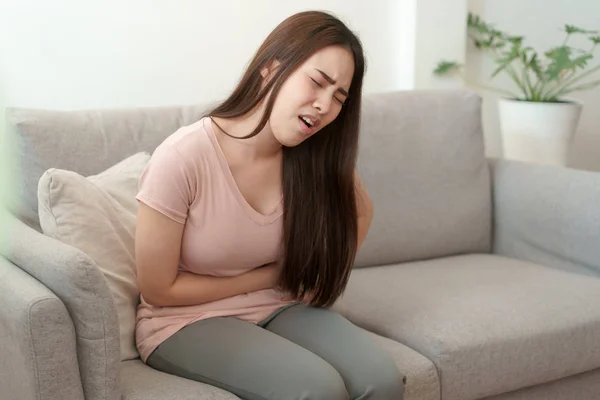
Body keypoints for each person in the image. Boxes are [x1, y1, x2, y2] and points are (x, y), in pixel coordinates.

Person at [134, 10, 405, 400]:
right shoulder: (183, 156)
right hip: (183, 320)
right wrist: (274, 276)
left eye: (338, 98)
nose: (323, 106)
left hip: (280, 305)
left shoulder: (311, 156)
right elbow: (158, 288)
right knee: (318, 390)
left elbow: (363, 212)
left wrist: (314, 274)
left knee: (381, 381)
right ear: (271, 68)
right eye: (317, 82)